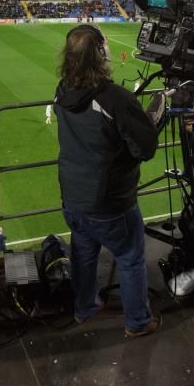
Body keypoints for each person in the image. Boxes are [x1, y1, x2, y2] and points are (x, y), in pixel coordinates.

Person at [52, 24, 161, 338]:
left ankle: (84, 309)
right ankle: (138, 322)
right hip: (110, 202)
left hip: (73, 198)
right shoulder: (114, 98)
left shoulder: (62, 89)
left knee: (84, 255)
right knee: (130, 257)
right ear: (100, 54)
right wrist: (149, 120)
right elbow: (146, 148)